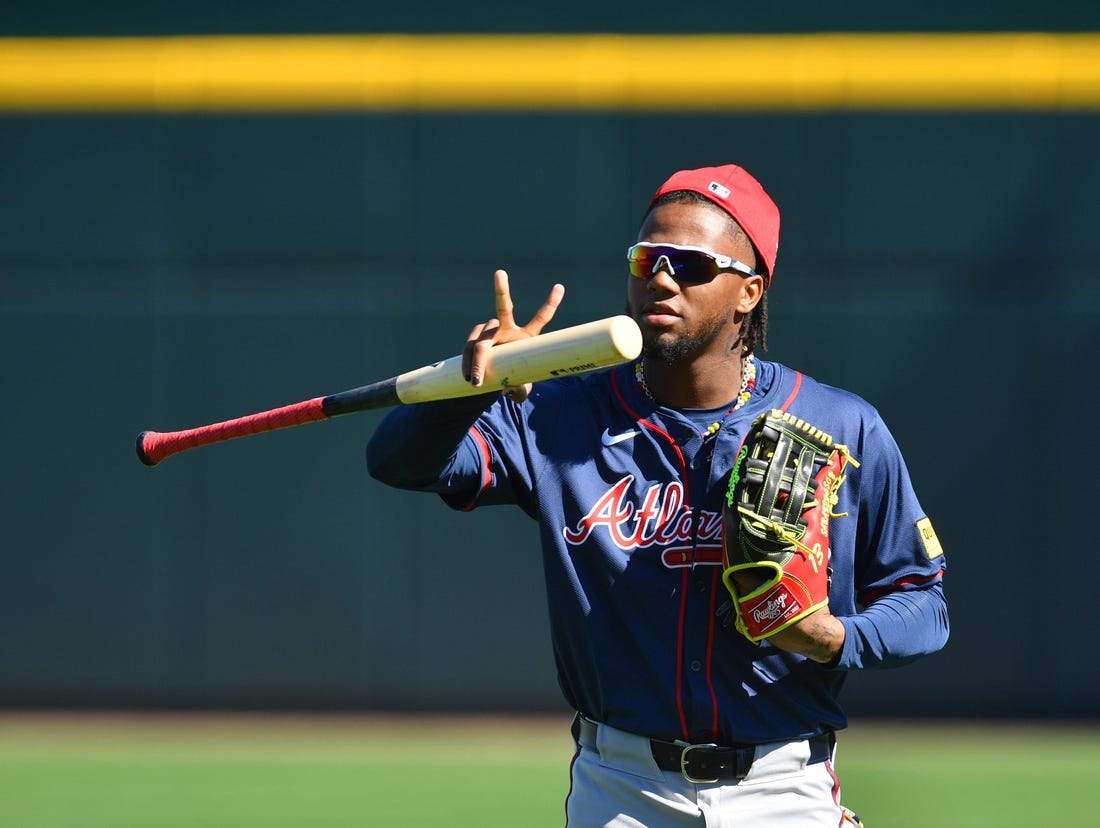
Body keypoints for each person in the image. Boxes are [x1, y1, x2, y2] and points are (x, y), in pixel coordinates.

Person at [366, 164, 949, 827]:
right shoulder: (557, 413)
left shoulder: (842, 427)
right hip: (622, 791)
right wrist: (468, 388)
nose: (662, 278)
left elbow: (923, 604)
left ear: (749, 291)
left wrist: (832, 637)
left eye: (692, 264)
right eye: (648, 259)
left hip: (784, 790)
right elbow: (398, 463)